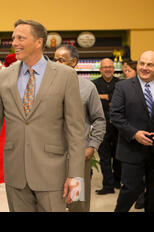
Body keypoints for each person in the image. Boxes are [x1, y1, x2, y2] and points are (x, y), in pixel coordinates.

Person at [0, 19, 85, 212]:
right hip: (15, 173)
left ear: (39, 42)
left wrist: (75, 175)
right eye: (13, 38)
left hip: (53, 173)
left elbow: (76, 130)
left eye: (21, 38)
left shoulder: (65, 75)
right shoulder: (4, 76)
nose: (14, 43)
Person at [54, 44, 106, 212]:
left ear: (73, 62)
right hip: (49, 157)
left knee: (77, 202)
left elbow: (99, 119)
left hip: (77, 157)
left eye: (60, 60)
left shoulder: (87, 88)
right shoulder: (45, 87)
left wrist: (92, 146)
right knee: (51, 202)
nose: (55, 63)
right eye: (53, 60)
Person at [110, 51, 154, 212]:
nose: (145, 67)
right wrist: (134, 133)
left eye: (150, 64)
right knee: (131, 189)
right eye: (142, 63)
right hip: (131, 148)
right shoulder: (123, 86)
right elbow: (115, 115)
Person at [93, 58, 121, 194]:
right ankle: (108, 185)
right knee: (103, 156)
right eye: (105, 67)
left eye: (110, 67)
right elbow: (92, 102)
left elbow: (118, 101)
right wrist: (110, 98)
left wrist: (103, 97)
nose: (108, 69)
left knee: (118, 155)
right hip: (101, 125)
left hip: (118, 125)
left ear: (113, 69)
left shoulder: (121, 84)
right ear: (100, 70)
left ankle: (117, 181)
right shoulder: (94, 84)